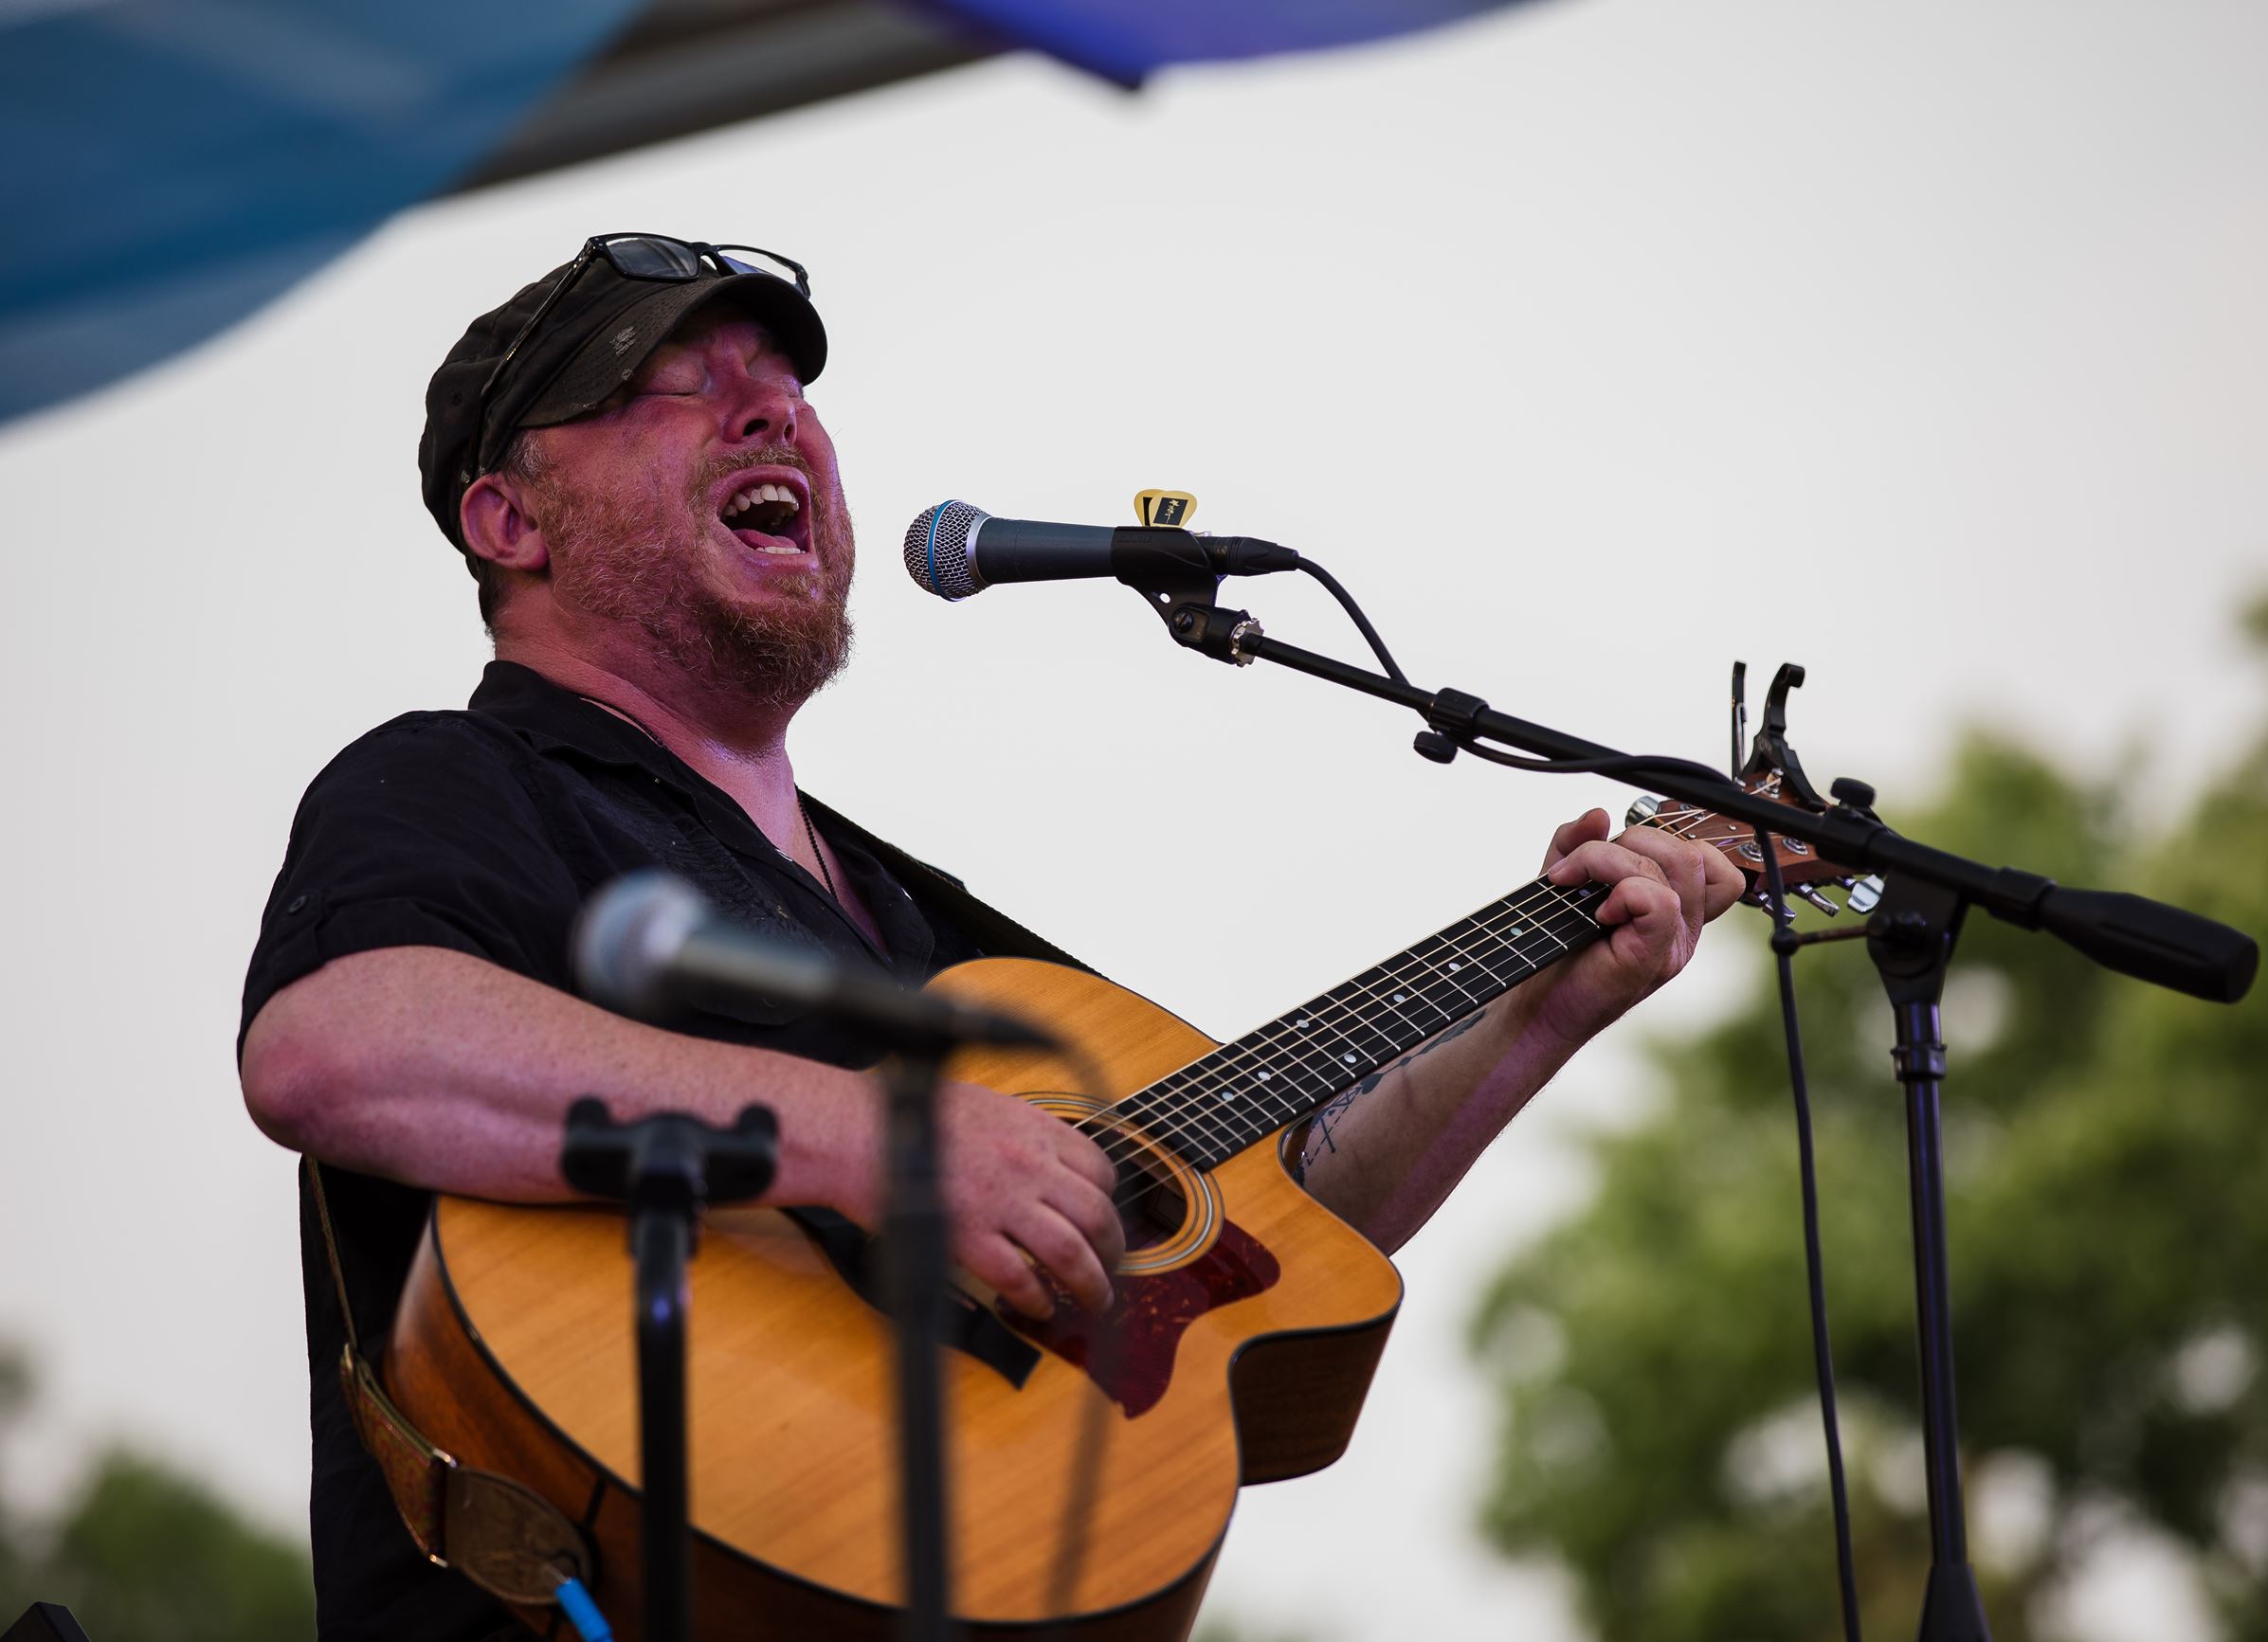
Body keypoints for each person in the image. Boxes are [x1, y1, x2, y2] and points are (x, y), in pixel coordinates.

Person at [236, 233, 1746, 1639]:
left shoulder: (919, 916)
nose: (774, 416)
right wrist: (874, 1143)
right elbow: (337, 1048)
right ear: (509, 517)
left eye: (788, 388)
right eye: (673, 384)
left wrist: (1550, 999)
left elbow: (1275, 1214)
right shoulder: (460, 782)